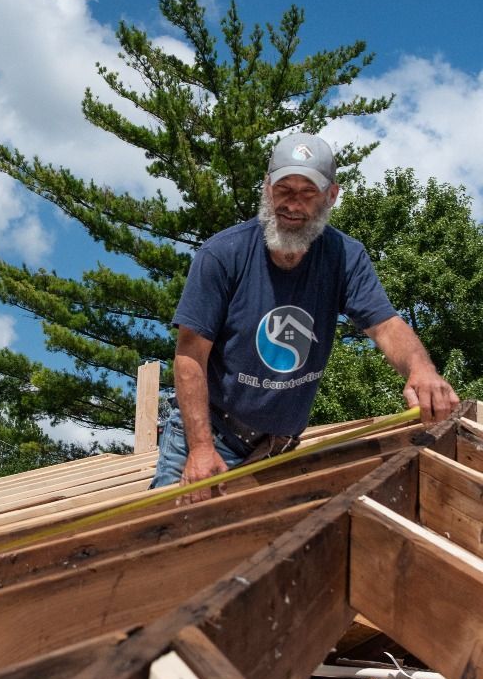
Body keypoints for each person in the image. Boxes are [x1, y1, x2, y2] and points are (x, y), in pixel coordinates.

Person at [150, 132, 459, 503]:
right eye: (284, 189)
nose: (292, 204)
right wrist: (200, 448)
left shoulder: (345, 257)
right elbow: (190, 356)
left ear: (331, 196)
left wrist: (421, 370)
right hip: (207, 435)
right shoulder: (223, 254)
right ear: (267, 189)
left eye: (307, 193)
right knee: (169, 533)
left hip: (277, 451)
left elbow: (385, 325)